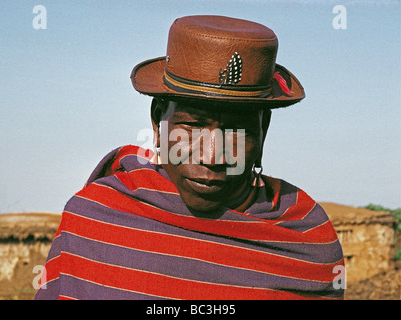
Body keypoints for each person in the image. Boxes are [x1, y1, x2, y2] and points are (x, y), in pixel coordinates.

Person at [34, 15, 345, 300]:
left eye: (236, 132)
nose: (212, 156)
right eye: (193, 125)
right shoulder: (96, 218)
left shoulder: (305, 239)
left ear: (263, 130)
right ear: (158, 122)